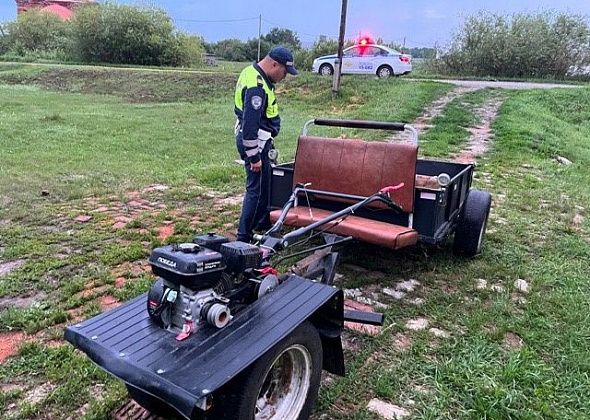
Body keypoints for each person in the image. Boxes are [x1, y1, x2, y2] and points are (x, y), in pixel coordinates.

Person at [234, 46, 298, 243]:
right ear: (274, 64)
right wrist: (254, 156)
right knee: (256, 190)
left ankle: (261, 225)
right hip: (256, 143)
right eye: (284, 72)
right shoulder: (257, 86)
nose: (285, 76)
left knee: (265, 186)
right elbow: (250, 123)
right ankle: (244, 237)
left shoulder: (251, 72)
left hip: (259, 141)